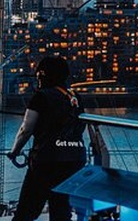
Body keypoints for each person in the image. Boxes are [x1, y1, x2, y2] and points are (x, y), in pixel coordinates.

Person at [7, 56, 86, 221]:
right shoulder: (74, 97)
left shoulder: (41, 96)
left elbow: (25, 129)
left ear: (43, 75)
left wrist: (14, 151)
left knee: (27, 210)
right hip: (74, 160)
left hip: (46, 161)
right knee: (61, 211)